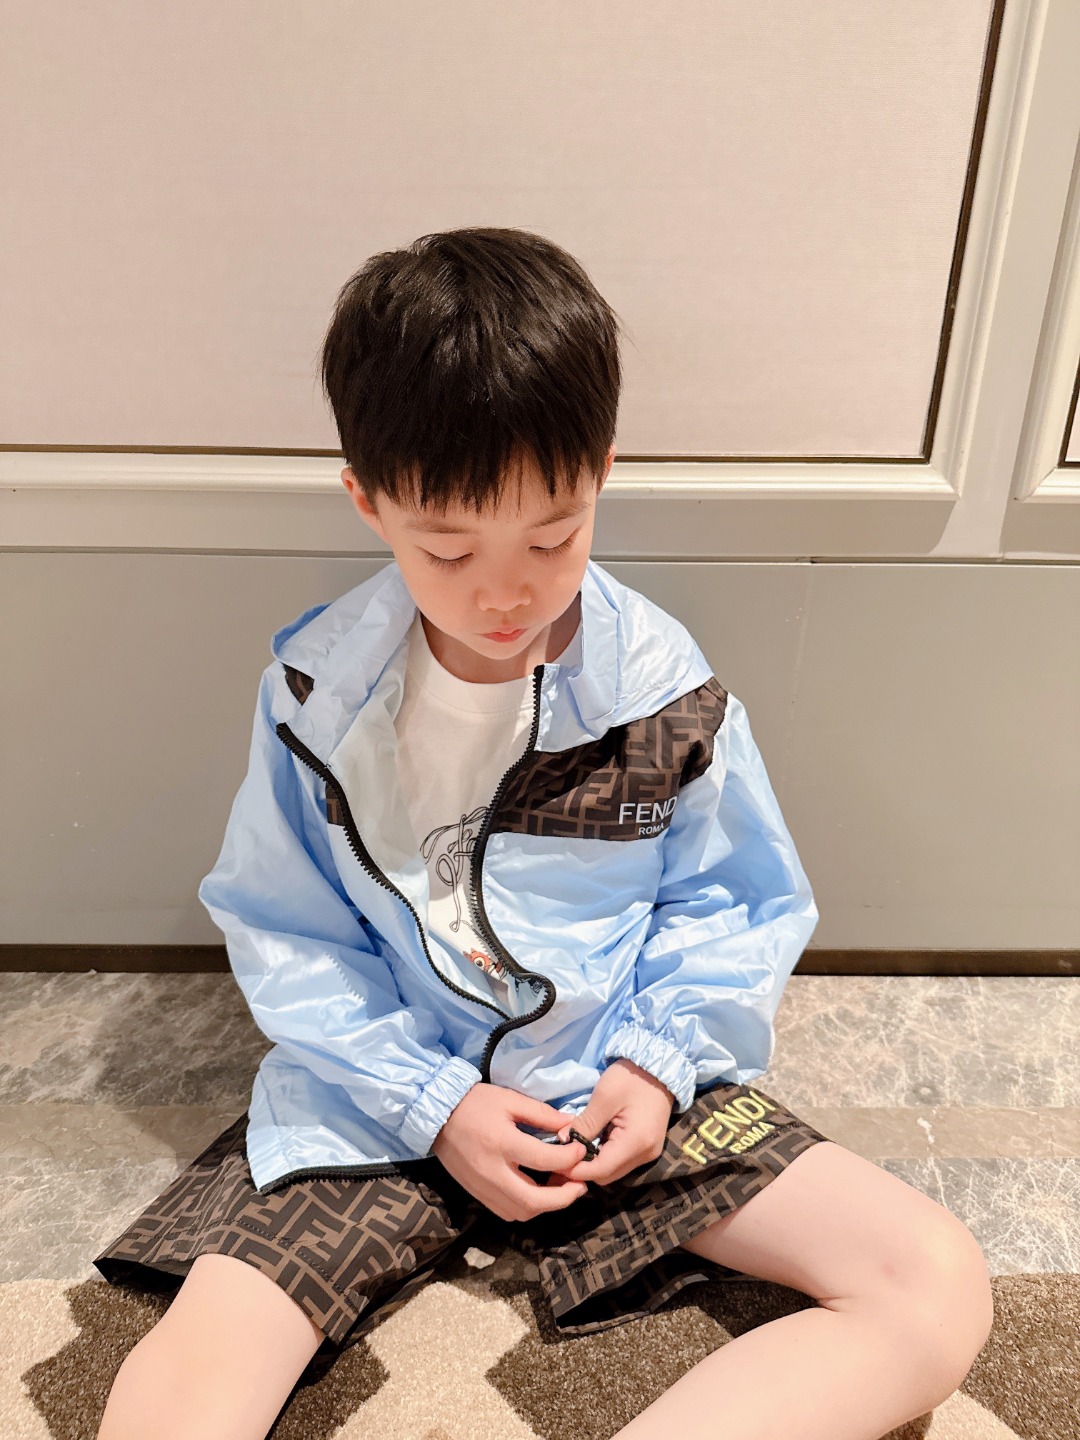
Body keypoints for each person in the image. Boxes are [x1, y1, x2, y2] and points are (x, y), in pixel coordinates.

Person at [93, 227, 994, 1440]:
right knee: (200, 1369)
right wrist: (431, 1103)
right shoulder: (315, 699)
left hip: (612, 1087)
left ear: (601, 477)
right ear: (369, 503)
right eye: (448, 548)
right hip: (375, 1094)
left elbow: (732, 901)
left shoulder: (663, 695)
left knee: (934, 1281)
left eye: (554, 535)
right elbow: (285, 930)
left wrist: (656, 1065)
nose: (505, 591)